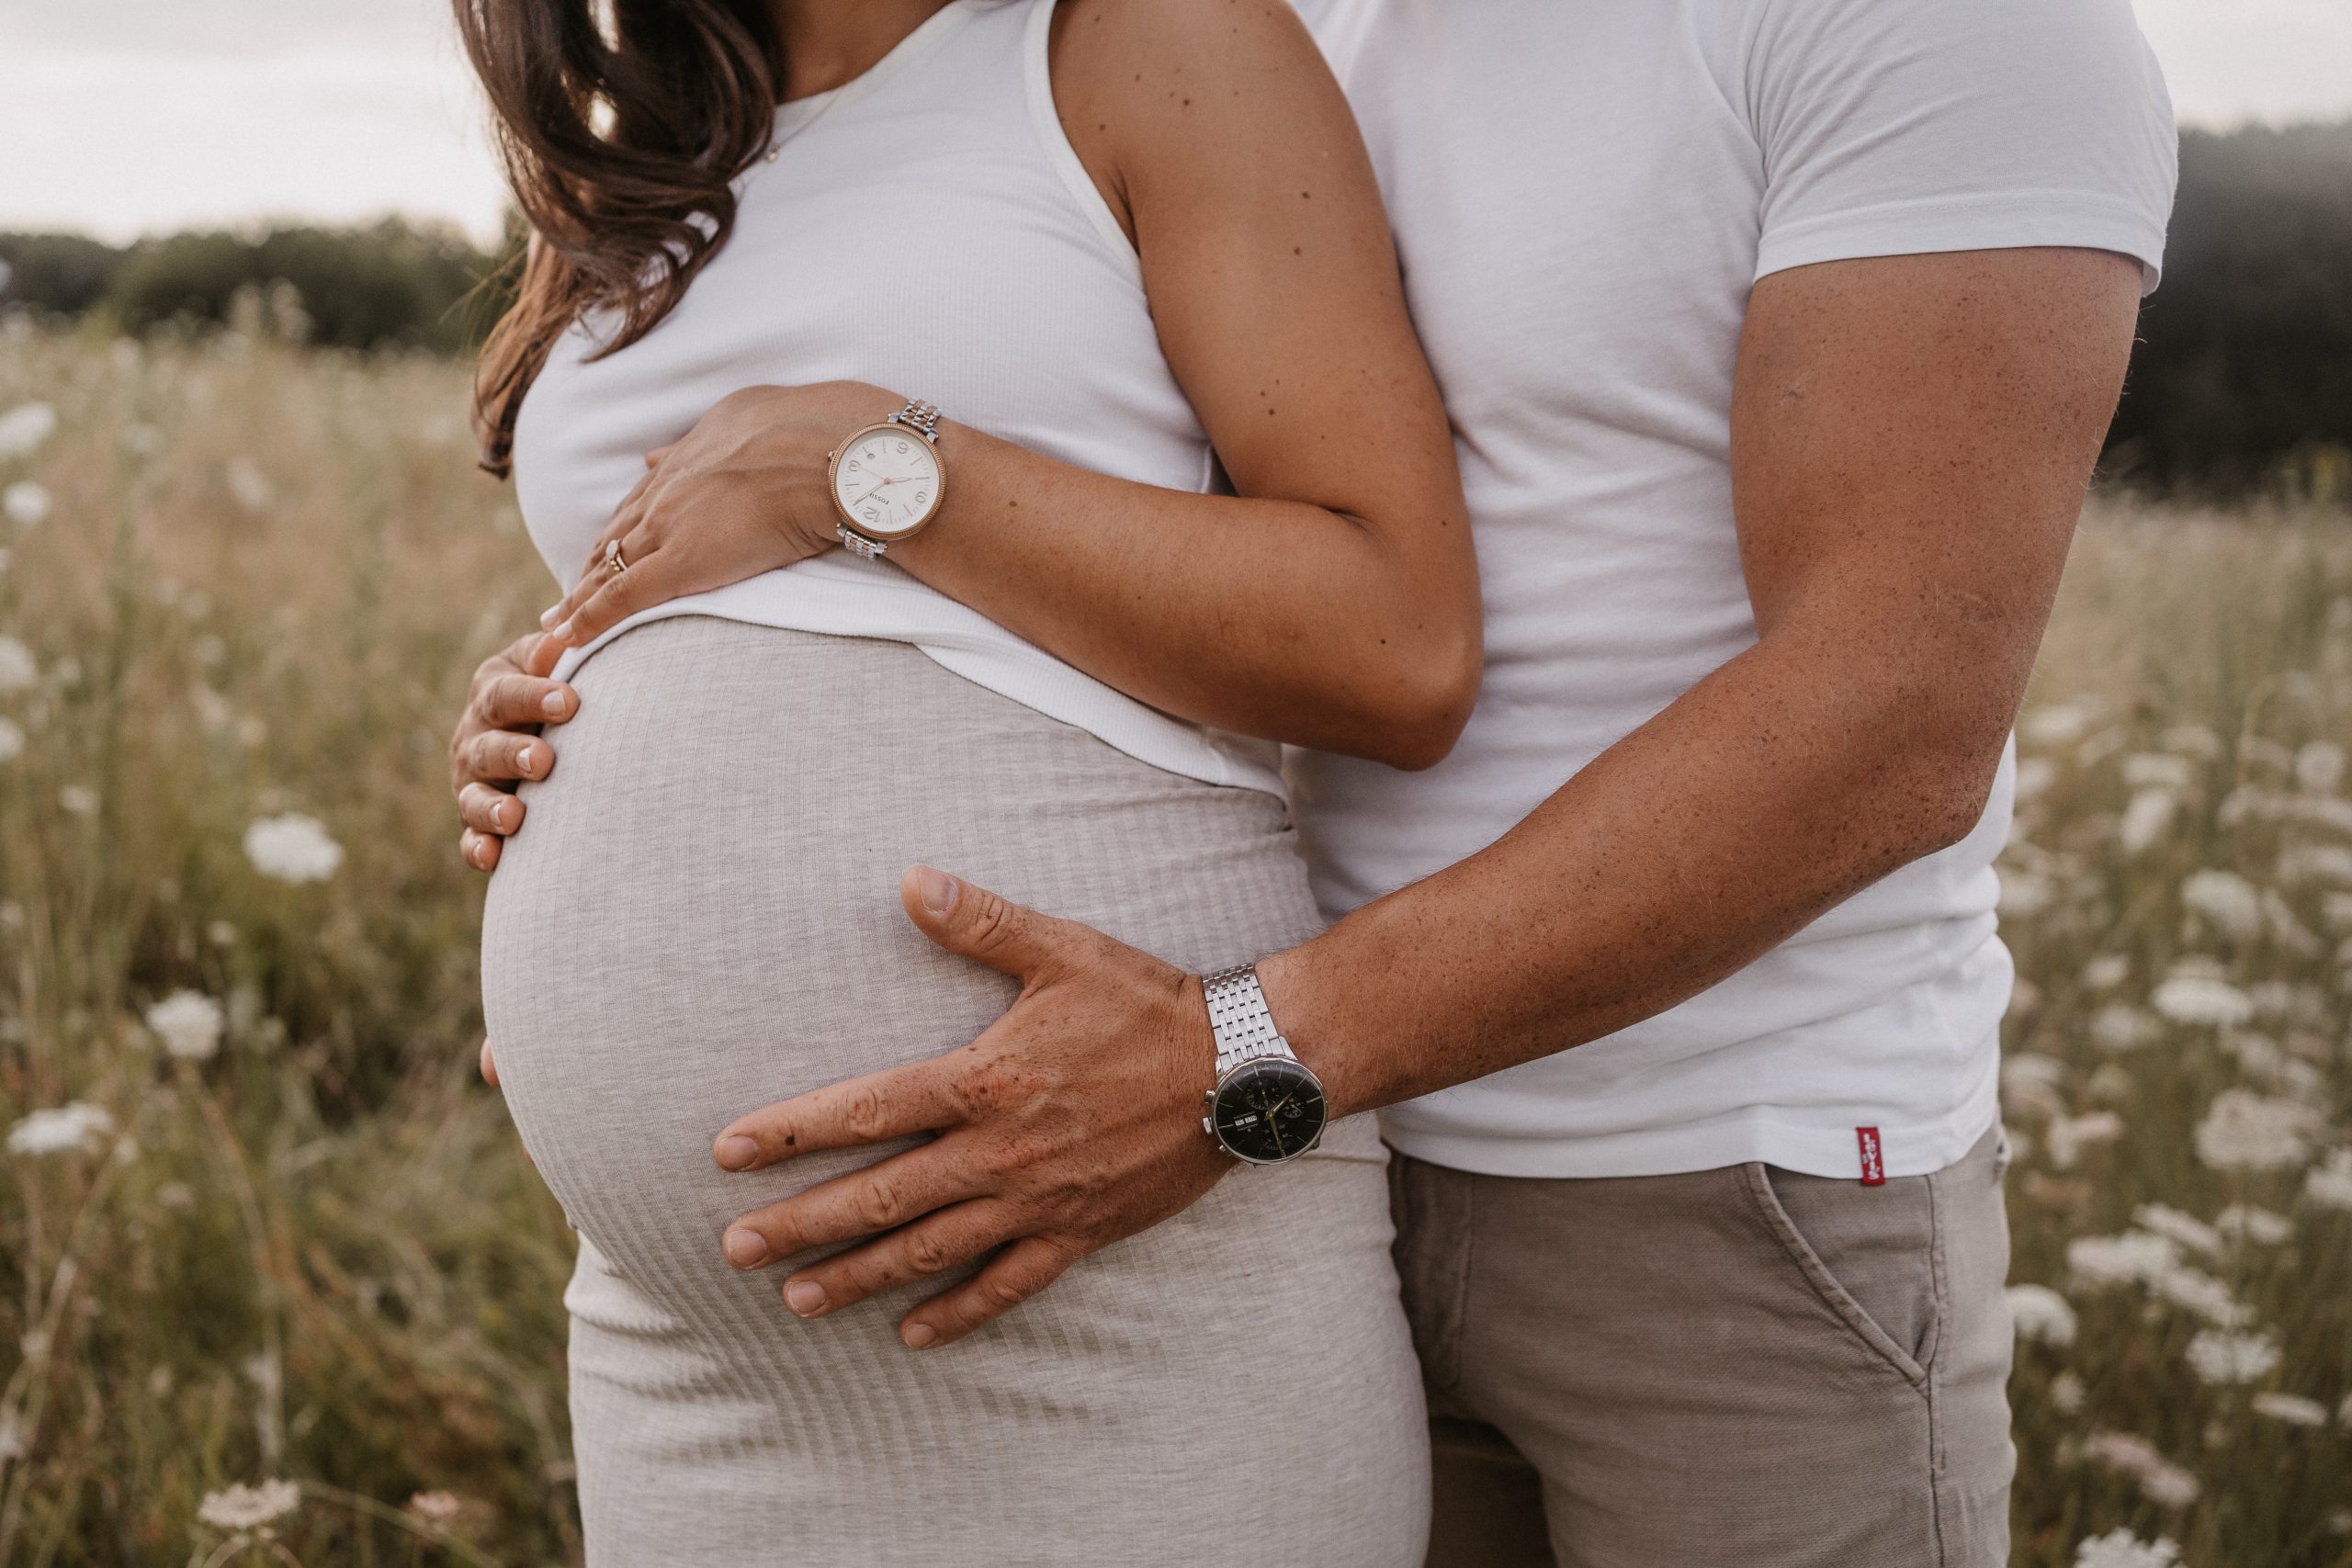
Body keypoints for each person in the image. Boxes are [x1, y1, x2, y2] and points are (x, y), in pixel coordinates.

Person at [621, 1, 2178, 1563]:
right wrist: (641, 761)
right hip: (1296, 1192)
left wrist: (1237, 1059)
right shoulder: (1291, 29)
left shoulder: (1946, 25)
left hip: (1720, 1190)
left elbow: (1891, 720)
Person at [450, 0, 1477, 1561]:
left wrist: (866, 467)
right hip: (691, 1355)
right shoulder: (644, 156)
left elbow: (1393, 641)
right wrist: (554, 724)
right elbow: (684, 564)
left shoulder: (1145, 45)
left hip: (1120, 1300)